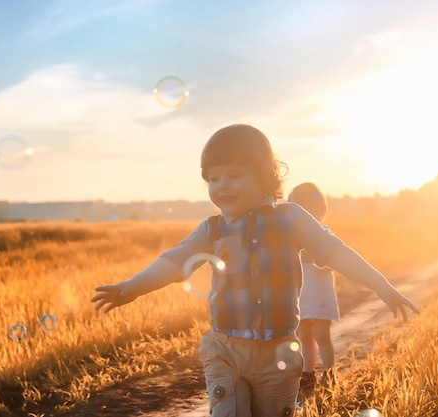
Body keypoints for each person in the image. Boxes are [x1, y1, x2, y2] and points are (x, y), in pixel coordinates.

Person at [91, 124, 419, 417]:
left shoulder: (291, 218)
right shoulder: (212, 229)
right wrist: (134, 285)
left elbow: (333, 251)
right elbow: (176, 261)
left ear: (264, 176)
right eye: (214, 178)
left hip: (279, 357)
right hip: (226, 352)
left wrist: (381, 285)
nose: (222, 185)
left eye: (234, 175)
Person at [288, 182, 339, 391]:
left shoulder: (324, 234)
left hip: (320, 295)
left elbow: (333, 260)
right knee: (303, 336)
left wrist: (316, 257)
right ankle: (308, 373)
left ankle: (330, 373)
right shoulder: (292, 239)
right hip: (301, 296)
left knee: (321, 335)